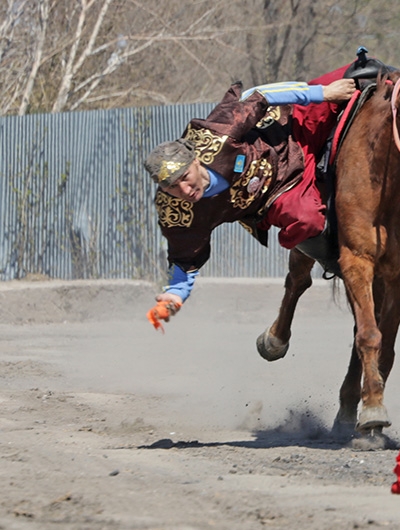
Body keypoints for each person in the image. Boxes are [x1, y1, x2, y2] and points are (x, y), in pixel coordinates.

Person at [144, 66, 357, 331]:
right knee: (306, 221)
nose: (185, 191)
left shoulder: (217, 135)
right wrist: (175, 294)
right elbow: (184, 256)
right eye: (173, 187)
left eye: (185, 177)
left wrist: (322, 92)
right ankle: (337, 263)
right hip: (277, 194)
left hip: (292, 132)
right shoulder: (175, 210)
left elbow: (260, 95)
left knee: (355, 76)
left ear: (195, 160)